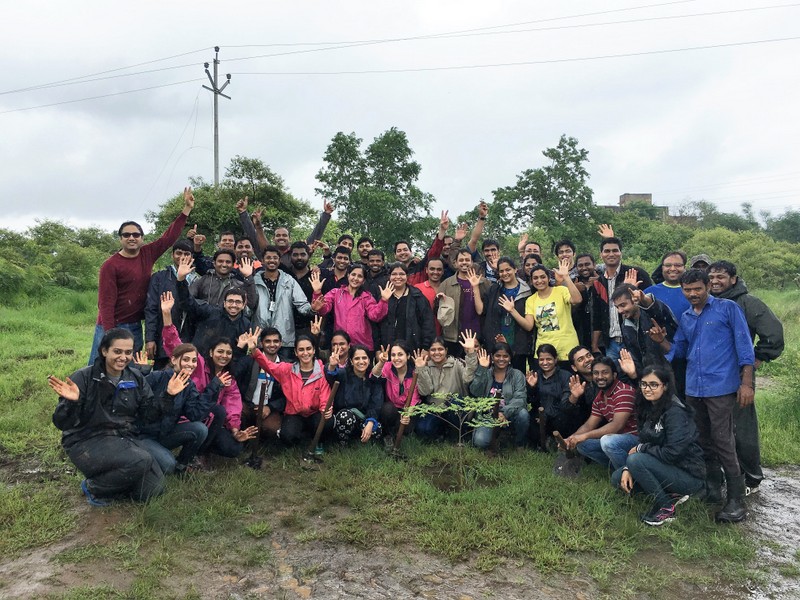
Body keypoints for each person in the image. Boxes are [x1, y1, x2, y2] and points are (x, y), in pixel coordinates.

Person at [654, 268, 755, 523]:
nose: (693, 294)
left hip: (721, 386)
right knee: (702, 439)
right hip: (694, 388)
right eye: (687, 290)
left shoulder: (727, 309)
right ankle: (713, 488)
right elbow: (679, 350)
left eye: (697, 289)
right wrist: (661, 341)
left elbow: (744, 345)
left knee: (723, 439)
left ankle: (736, 500)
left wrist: (746, 383)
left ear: (708, 286)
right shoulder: (687, 316)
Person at [50, 328, 188, 506]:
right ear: (104, 351)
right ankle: (94, 487)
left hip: (122, 438)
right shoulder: (84, 377)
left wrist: (168, 396)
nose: (123, 357)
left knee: (153, 490)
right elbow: (62, 423)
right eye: (117, 351)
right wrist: (72, 403)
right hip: (85, 440)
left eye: (128, 352)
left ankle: (116, 482)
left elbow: (149, 416)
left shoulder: (136, 378)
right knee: (141, 460)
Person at [89, 187, 194, 364]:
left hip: (135, 325)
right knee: (100, 368)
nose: (132, 237)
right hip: (112, 324)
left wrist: (186, 210)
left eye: (136, 234)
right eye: (126, 235)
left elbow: (168, 238)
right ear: (120, 239)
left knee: (130, 369)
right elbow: (105, 303)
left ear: (142, 238)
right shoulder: (110, 265)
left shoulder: (147, 254)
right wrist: (110, 333)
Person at [709, 260, 784, 495]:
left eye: (721, 277)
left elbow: (774, 334)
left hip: (740, 375)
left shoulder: (747, 302)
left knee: (742, 428)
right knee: (717, 427)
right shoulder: (706, 301)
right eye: (711, 277)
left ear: (733, 279)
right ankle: (726, 474)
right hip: (712, 376)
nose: (715, 281)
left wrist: (757, 358)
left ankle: (751, 478)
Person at [162, 292, 257, 459]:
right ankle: (195, 454)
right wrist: (166, 315)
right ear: (211, 352)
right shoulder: (198, 363)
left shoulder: (228, 378)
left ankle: (206, 444)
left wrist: (235, 430)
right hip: (186, 417)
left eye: (228, 353)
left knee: (234, 448)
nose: (224, 356)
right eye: (220, 351)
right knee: (218, 411)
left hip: (209, 420)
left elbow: (232, 405)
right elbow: (175, 345)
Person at [611, 366, 706, 526]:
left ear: (665, 386)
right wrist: (628, 468)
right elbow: (644, 439)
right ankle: (671, 494)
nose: (647, 389)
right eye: (644, 384)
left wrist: (640, 452)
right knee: (617, 478)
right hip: (665, 468)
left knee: (636, 460)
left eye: (654, 384)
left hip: (688, 474)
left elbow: (673, 453)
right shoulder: (648, 406)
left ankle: (666, 508)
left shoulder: (675, 412)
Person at [137, 339, 214, 476]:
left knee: (200, 429)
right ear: (173, 360)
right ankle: (145, 457)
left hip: (165, 434)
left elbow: (194, 415)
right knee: (168, 466)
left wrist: (212, 388)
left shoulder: (188, 385)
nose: (191, 364)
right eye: (186, 359)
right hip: (143, 436)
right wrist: (143, 373)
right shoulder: (157, 377)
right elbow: (140, 406)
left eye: (194, 360)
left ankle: (182, 465)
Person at [247, 333, 333, 447]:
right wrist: (254, 350)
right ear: (296, 352)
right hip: (294, 413)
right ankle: (304, 437)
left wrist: (325, 409)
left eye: (308, 349)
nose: (305, 353)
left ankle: (318, 441)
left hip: (315, 412)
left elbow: (325, 393)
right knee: (288, 436)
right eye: (301, 350)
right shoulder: (287, 370)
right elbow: (268, 365)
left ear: (313, 351)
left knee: (326, 422)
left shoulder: (322, 371)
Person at [501, 260, 582, 368]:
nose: (539, 280)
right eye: (535, 278)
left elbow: (577, 299)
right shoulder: (531, 300)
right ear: (531, 281)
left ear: (548, 278)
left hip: (566, 348)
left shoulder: (561, 291)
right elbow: (528, 325)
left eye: (543, 277)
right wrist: (512, 310)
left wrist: (566, 277)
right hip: (544, 352)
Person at [563, 357, 638, 470]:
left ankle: (629, 471)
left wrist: (584, 436)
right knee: (582, 445)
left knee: (607, 441)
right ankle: (618, 468)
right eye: (596, 373)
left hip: (636, 439)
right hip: (618, 439)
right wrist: (571, 439)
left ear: (614, 375)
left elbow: (617, 425)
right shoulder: (600, 397)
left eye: (605, 372)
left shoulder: (623, 392)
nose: (600, 377)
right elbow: (589, 425)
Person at [175, 256, 252, 360]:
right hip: (201, 361)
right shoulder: (210, 312)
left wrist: (249, 278)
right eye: (230, 301)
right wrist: (181, 280)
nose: (233, 305)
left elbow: (240, 356)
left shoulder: (245, 324)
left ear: (243, 305)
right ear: (224, 303)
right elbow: (188, 303)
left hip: (226, 364)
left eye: (238, 302)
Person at [591, 236, 653, 361]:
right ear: (601, 255)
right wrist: (595, 344)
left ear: (621, 253)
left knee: (639, 371)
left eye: (615, 250)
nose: (611, 254)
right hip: (611, 343)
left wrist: (630, 289)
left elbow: (650, 305)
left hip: (635, 338)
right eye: (607, 251)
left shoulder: (636, 273)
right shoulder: (598, 282)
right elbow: (597, 315)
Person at [309, 264, 392, 351]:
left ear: (363, 281)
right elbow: (324, 309)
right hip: (340, 344)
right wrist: (317, 292)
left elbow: (375, 316)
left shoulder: (367, 297)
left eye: (360, 276)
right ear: (348, 275)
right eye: (353, 274)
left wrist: (384, 301)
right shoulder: (336, 293)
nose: (355, 278)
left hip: (362, 345)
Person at [414, 332, 479, 441]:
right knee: (422, 429)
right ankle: (442, 432)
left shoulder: (457, 363)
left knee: (455, 403)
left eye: (440, 349)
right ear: (429, 352)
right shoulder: (426, 366)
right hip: (436, 409)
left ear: (446, 350)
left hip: (456, 407)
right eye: (433, 350)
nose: (437, 353)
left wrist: (471, 354)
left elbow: (468, 378)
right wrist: (421, 370)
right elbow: (425, 391)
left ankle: (459, 433)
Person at [251, 245, 313, 358]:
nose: (272, 260)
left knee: (284, 367)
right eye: (268, 258)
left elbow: (302, 304)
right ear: (262, 261)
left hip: (284, 337)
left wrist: (312, 308)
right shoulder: (254, 281)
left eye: (275, 258)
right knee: (259, 368)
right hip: (260, 336)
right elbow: (248, 308)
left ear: (279, 261)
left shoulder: (289, 280)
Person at [144, 239, 197, 368]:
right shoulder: (159, 278)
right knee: (162, 374)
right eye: (179, 253)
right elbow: (151, 309)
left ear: (192, 257)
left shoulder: (198, 280)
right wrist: (150, 338)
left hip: (189, 338)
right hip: (163, 337)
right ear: (172, 255)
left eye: (186, 254)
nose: (182, 257)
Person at [470, 343, 529, 450]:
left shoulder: (517, 375)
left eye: (505, 356)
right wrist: (482, 369)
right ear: (492, 357)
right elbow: (475, 391)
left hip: (510, 413)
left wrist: (503, 413)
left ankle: (518, 442)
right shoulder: (486, 373)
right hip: (488, 415)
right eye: (498, 356)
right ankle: (497, 437)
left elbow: (520, 399)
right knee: (480, 441)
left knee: (523, 414)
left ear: (510, 358)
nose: (501, 359)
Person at [611, 282, 677, 377]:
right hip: (647, 376)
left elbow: (655, 308)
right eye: (617, 307)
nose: (620, 311)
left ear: (635, 300)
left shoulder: (653, 314)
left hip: (670, 372)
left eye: (623, 305)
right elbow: (635, 356)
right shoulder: (625, 326)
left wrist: (644, 300)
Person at [479, 257, 533, 372]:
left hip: (518, 343)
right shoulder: (494, 290)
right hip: (497, 342)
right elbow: (483, 312)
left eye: (508, 270)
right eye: (501, 271)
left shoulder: (527, 291)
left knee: (517, 375)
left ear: (515, 269)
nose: (505, 273)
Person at [325, 345, 384, 445]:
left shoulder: (373, 378)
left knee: (376, 429)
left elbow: (376, 402)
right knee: (345, 417)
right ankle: (343, 443)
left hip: (364, 418)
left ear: (369, 360)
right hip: (346, 418)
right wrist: (332, 366)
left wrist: (370, 422)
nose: (361, 361)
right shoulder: (343, 374)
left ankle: (363, 440)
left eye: (364, 358)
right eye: (357, 358)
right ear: (351, 361)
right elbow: (330, 377)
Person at [438, 248, 491, 357]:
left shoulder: (484, 283)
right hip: (453, 337)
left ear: (472, 262)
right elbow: (439, 313)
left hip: (477, 337)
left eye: (467, 260)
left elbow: (485, 310)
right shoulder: (446, 284)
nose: (464, 262)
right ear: (455, 263)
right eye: (461, 260)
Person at [526, 344, 583, 444]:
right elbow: (531, 401)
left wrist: (546, 415)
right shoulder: (535, 376)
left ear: (555, 359)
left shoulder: (566, 376)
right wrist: (532, 387)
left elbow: (565, 404)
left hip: (559, 416)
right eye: (541, 360)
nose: (545, 363)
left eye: (548, 359)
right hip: (539, 415)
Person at [237, 327, 286, 442]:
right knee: (238, 413)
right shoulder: (249, 360)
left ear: (281, 344)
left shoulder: (286, 364)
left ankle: (259, 437)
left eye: (275, 341)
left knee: (272, 429)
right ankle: (242, 438)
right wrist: (239, 348)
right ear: (261, 343)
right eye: (268, 341)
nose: (272, 345)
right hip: (248, 404)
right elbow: (234, 372)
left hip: (269, 408)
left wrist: (270, 407)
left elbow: (287, 396)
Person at [379, 263, 435, 351]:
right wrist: (378, 349)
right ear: (389, 276)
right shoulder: (384, 296)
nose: (398, 277)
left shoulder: (417, 296)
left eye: (401, 274)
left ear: (407, 276)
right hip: (388, 347)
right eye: (394, 274)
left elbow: (427, 322)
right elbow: (377, 323)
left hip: (413, 346)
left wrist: (426, 347)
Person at [372, 340, 421, 438]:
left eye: (400, 354)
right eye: (393, 355)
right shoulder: (388, 366)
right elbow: (374, 375)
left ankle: (396, 432)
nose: (396, 358)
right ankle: (387, 435)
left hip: (407, 409)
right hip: (391, 408)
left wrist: (407, 414)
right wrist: (381, 363)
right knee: (387, 410)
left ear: (407, 356)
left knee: (406, 428)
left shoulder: (414, 373)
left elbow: (414, 398)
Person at [189, 248, 256, 310]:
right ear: (214, 263)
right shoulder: (203, 280)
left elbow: (251, 304)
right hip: (203, 317)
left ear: (233, 265)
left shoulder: (238, 285)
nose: (224, 265)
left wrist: (248, 276)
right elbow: (188, 298)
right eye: (220, 261)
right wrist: (206, 308)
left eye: (228, 262)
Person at [644, 252, 690, 318]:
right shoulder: (649, 293)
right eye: (668, 265)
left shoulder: (694, 292)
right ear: (662, 268)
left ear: (684, 267)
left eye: (677, 265)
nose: (673, 269)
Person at [414, 258, 446, 336]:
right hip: (423, 335)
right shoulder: (417, 289)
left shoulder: (447, 288)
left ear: (443, 271)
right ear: (426, 270)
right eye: (432, 269)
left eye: (439, 269)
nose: (435, 272)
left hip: (445, 335)